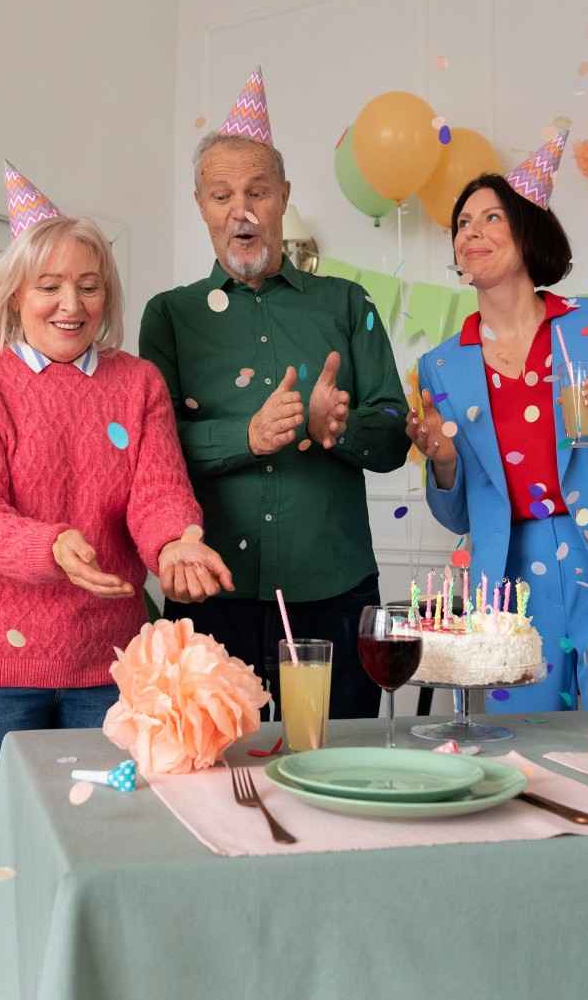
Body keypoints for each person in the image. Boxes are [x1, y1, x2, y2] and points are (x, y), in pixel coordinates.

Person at [0, 164, 232, 875]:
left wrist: (179, 544)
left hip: (105, 663)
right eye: (51, 286)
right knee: (1, 863)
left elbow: (157, 491)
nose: (71, 303)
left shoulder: (137, 382)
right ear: (15, 293)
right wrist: (51, 542)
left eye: (89, 286)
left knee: (98, 854)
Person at [140, 68, 410, 719]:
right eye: (221, 194)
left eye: (257, 191)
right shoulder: (168, 316)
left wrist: (334, 430)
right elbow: (151, 452)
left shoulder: (348, 303)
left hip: (335, 595)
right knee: (212, 772)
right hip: (209, 591)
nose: (241, 210)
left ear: (283, 197)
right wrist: (246, 435)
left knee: (337, 772)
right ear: (200, 204)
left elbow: (395, 434)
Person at [405, 137, 588, 713]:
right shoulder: (441, 365)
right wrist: (441, 461)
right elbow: (458, 514)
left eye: (491, 217)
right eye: (462, 223)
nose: (472, 231)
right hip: (513, 585)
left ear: (528, 233)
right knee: (531, 759)